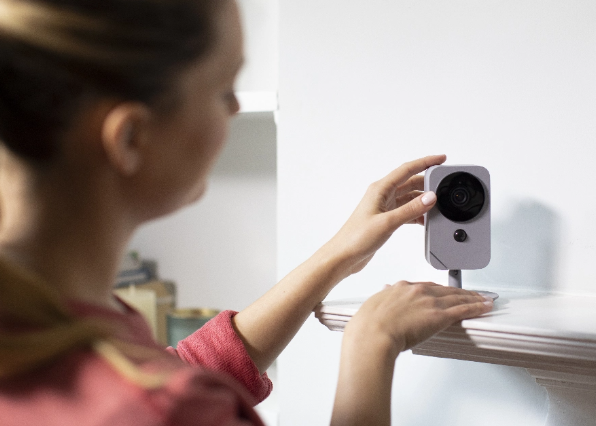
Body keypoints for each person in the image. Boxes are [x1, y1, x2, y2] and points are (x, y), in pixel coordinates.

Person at [0, 0, 495, 424]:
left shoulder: (41, 321)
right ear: (131, 139)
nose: (235, 109)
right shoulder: (158, 407)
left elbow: (182, 368)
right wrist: (373, 340)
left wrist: (338, 256)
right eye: (223, 90)